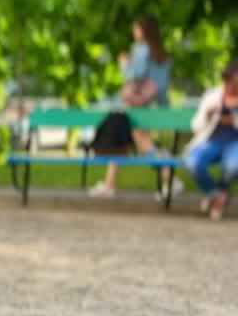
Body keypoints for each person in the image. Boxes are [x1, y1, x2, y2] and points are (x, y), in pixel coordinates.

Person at [89, 17, 183, 199]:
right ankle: (109, 185)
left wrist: (124, 64)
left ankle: (172, 180)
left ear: (143, 30)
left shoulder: (141, 49)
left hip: (136, 104)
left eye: (136, 28)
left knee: (141, 143)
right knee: (126, 141)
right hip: (151, 105)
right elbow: (162, 87)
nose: (134, 32)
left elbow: (135, 76)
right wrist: (164, 108)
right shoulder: (162, 54)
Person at [183, 60, 238, 220]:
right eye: (233, 83)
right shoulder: (212, 96)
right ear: (226, 80)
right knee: (192, 162)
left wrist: (233, 121)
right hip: (210, 141)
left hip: (235, 143)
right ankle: (218, 196)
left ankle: (216, 200)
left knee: (233, 167)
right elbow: (195, 126)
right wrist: (207, 115)